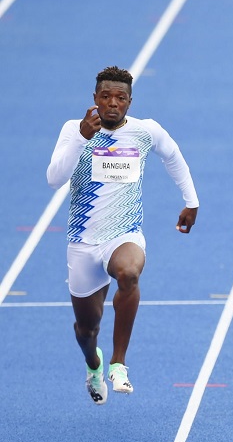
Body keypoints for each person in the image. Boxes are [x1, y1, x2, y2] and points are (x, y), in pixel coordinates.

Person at [47, 66, 200, 405]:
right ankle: (95, 364)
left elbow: (173, 157)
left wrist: (191, 201)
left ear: (130, 102)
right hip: (83, 242)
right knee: (86, 331)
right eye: (105, 97)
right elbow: (54, 179)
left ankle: (118, 362)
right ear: (95, 99)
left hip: (124, 235)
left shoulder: (146, 132)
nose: (112, 103)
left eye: (120, 98)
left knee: (129, 273)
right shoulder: (74, 130)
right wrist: (82, 140)